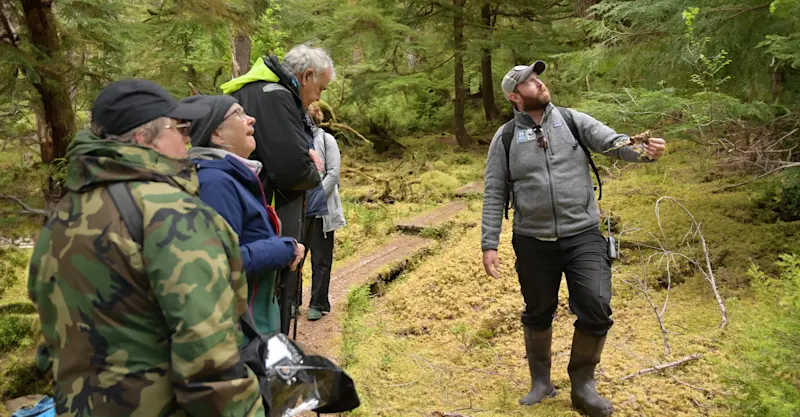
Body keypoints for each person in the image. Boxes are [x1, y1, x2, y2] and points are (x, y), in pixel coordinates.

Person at [27, 79, 264, 416]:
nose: (187, 136)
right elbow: (207, 353)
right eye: (180, 128)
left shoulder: (65, 213)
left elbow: (50, 329)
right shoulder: (171, 213)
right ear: (143, 139)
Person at [481, 61, 666, 417]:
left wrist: (645, 152)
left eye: (538, 78)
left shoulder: (571, 120)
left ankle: (583, 386)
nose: (540, 83)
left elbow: (614, 143)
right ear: (515, 96)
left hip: (583, 234)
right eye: (531, 82)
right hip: (532, 240)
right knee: (538, 310)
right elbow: (493, 192)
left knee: (596, 303)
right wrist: (490, 242)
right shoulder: (505, 138)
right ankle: (540, 383)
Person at [221, 44, 336, 334]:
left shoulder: (252, 89)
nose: (318, 97)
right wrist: (314, 169)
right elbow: (293, 171)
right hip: (265, 214)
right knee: (265, 297)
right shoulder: (277, 96)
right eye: (319, 88)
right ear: (307, 75)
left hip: (239, 205)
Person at [183, 94, 305, 335]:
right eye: (238, 114)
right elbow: (221, 262)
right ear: (216, 135)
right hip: (239, 333)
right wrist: (285, 250)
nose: (251, 119)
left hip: (249, 325)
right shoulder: (215, 182)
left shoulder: (228, 177)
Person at [303, 102, 346, 321]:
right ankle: (291, 301)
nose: (313, 117)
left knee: (321, 259)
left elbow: (333, 173)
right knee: (297, 257)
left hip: (323, 210)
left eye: (315, 113)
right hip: (299, 210)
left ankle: (318, 303)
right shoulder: (298, 139)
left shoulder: (327, 140)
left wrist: (317, 195)